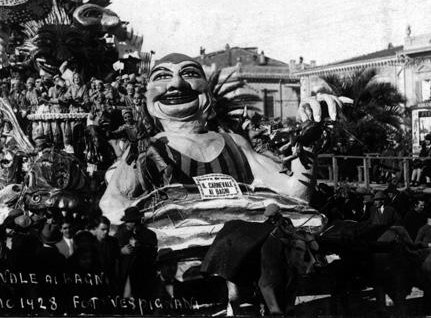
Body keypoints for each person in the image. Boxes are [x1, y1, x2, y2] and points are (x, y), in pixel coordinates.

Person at [100, 53, 348, 224]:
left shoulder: (235, 144)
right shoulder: (146, 150)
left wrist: (307, 139)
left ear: (206, 90)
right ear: (147, 96)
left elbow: (294, 194)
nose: (177, 83)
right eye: (163, 76)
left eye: (189, 73)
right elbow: (112, 205)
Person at [114, 206, 158, 298]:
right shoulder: (120, 235)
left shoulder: (149, 235)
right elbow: (110, 253)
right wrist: (121, 251)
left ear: (138, 221)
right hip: (126, 276)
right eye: (127, 221)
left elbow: (153, 254)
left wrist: (140, 246)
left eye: (131, 221)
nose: (128, 224)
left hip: (144, 276)